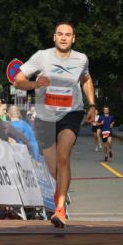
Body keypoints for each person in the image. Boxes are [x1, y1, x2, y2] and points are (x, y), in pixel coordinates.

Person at [13, 21, 96, 229]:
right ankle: (61, 194)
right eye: (60, 34)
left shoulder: (81, 59)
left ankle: (59, 208)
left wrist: (92, 105)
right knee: (53, 167)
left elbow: (86, 79)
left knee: (64, 155)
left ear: (73, 38)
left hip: (71, 112)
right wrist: (35, 84)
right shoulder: (42, 56)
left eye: (68, 34)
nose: (64, 37)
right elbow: (18, 80)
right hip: (45, 117)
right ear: (54, 37)